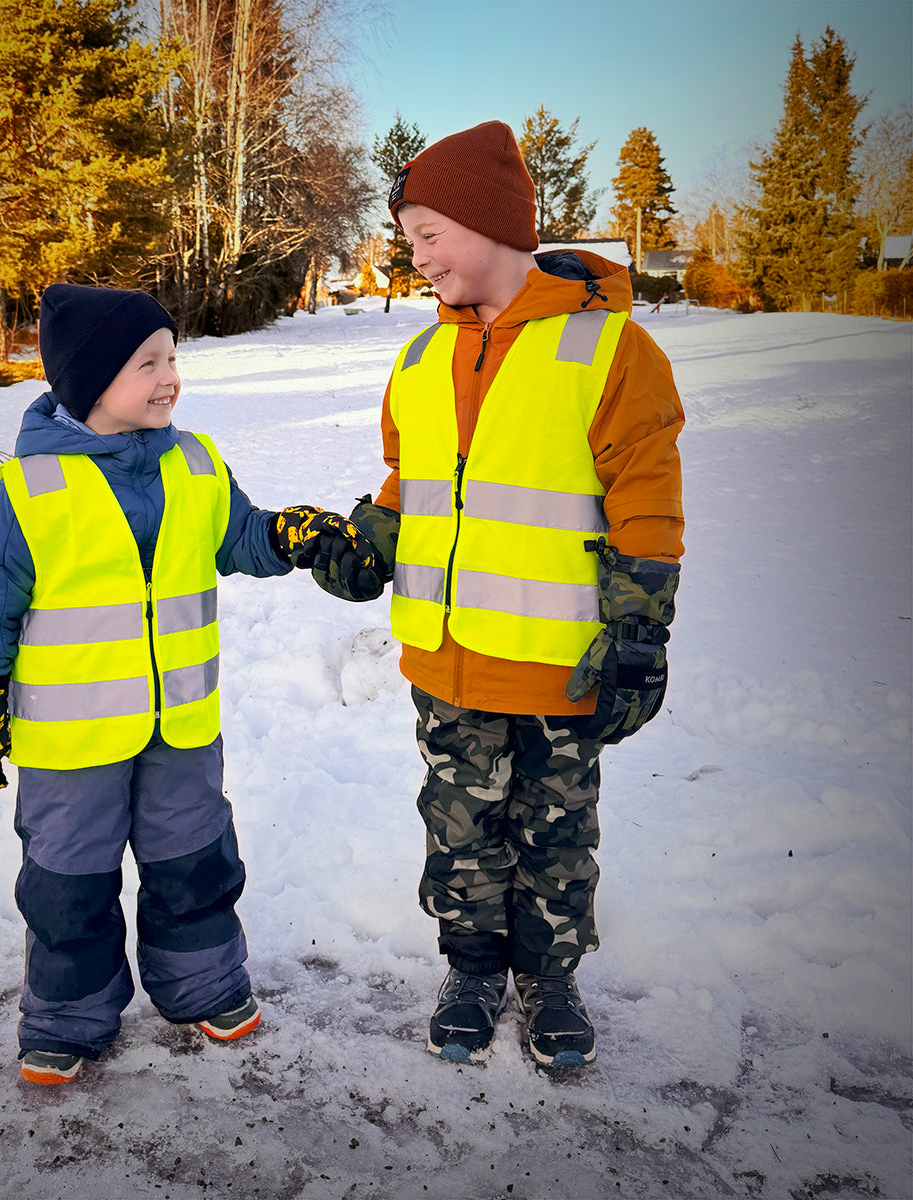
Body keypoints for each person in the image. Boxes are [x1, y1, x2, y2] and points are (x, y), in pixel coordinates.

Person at [0, 283, 378, 1085]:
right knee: (68, 878)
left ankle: (204, 984)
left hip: (180, 725)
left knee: (194, 859)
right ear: (90, 380)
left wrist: (288, 533)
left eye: (172, 358)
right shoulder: (26, 494)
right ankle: (67, 1016)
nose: (170, 377)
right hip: (72, 741)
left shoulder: (195, 463)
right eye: (147, 363)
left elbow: (239, 536)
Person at [337, 121, 684, 1070]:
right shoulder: (419, 359)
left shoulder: (610, 350)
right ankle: (471, 969)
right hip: (446, 662)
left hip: (556, 665)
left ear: (492, 226)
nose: (416, 257)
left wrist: (639, 630)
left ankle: (550, 978)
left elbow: (647, 501)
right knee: (459, 829)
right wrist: (368, 540)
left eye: (429, 234)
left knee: (555, 834)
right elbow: (411, 481)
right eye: (409, 239)